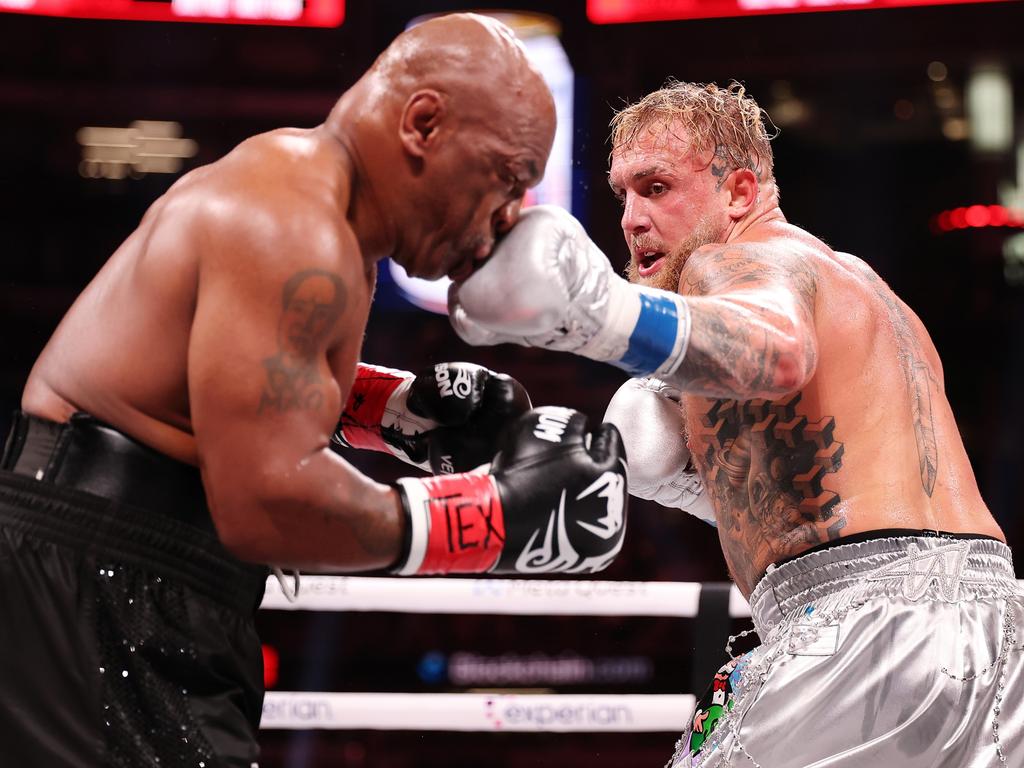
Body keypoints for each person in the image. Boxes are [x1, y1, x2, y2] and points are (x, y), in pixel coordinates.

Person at [0, 14, 630, 767]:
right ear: (423, 123)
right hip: (103, 573)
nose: (508, 217)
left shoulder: (311, 206)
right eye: (506, 176)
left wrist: (399, 415)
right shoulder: (290, 223)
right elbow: (267, 500)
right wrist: (492, 518)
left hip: (129, 568)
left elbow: (237, 384)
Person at [449, 80, 1023, 766]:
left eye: (656, 187)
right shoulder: (861, 287)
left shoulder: (737, 261)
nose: (631, 220)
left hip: (862, 628)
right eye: (622, 194)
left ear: (740, 193)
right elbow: (826, 493)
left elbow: (776, 353)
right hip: (1000, 629)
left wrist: (591, 313)